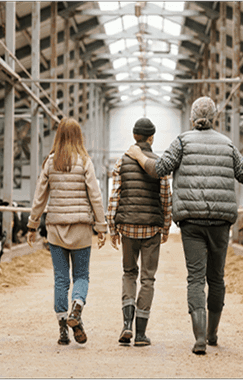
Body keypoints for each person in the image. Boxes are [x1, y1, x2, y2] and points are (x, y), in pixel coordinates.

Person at [126, 96, 243, 355]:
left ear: (193, 118)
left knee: (195, 278)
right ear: (214, 118)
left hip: (191, 221)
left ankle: (199, 339)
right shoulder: (227, 144)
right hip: (220, 221)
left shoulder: (183, 141)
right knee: (216, 277)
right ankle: (212, 333)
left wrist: (138, 154)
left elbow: (160, 168)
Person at [26, 117, 107, 346]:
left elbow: (39, 197)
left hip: (55, 230)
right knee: (81, 276)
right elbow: (95, 196)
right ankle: (77, 309)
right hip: (81, 228)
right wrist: (101, 227)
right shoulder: (85, 161)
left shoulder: (50, 162)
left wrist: (33, 224)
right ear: (79, 136)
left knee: (61, 280)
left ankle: (63, 331)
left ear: (58, 136)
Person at [107, 117, 172, 346]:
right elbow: (166, 197)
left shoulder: (121, 162)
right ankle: (141, 333)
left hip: (128, 227)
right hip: (152, 228)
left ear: (134, 136)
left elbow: (115, 196)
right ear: (151, 137)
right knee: (147, 278)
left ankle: (126, 325)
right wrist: (166, 226)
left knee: (128, 273)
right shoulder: (159, 163)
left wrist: (112, 227)